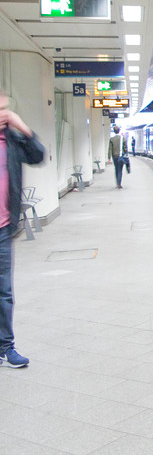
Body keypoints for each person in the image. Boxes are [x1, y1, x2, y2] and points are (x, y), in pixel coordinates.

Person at [0, 93, 45, 368]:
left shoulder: (13, 139)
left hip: (3, 229)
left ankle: (6, 347)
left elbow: (38, 155)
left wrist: (23, 127)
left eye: (4, 108)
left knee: (4, 292)